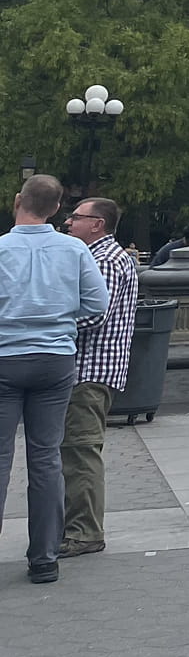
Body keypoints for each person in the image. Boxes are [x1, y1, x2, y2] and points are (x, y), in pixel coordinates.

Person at [0, 174, 109, 583]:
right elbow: (97, 303)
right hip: (55, 358)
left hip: (5, 357)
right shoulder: (74, 249)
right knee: (46, 457)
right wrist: (61, 319)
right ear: (58, 208)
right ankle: (44, 558)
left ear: (18, 201)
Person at [57, 195, 139, 559]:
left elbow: (92, 315)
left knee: (79, 451)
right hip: (96, 370)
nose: (69, 223)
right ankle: (77, 526)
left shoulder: (103, 260)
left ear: (97, 224)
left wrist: (44, 324)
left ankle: (84, 532)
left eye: (76, 217)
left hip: (88, 371)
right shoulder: (107, 256)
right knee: (76, 449)